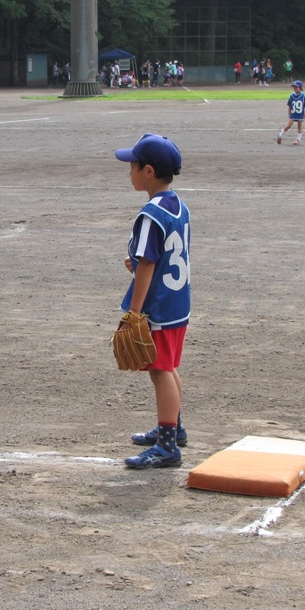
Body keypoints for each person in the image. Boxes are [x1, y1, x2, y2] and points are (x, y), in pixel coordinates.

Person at [114, 133, 191, 469]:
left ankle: (167, 444)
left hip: (157, 304)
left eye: (132, 166)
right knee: (167, 367)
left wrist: (134, 312)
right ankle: (174, 426)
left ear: (148, 171)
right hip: (177, 302)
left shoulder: (150, 213)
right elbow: (162, 256)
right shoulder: (178, 205)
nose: (128, 171)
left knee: (160, 370)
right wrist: (141, 262)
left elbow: (147, 264)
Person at [277, 80, 305, 145]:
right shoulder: (291, 96)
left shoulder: (303, 96)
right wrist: (289, 113)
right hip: (293, 113)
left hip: (300, 113)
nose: (294, 88)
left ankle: (298, 139)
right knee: (289, 126)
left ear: (300, 87)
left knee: (299, 126)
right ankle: (280, 134)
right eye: (294, 87)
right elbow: (289, 106)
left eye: (296, 87)